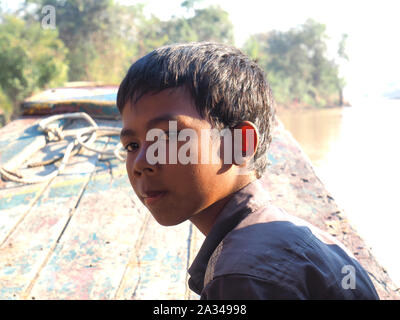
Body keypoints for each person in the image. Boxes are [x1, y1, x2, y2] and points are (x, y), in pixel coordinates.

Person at [117, 42, 379, 300]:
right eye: (132, 145)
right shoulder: (294, 237)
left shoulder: (242, 278)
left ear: (238, 144)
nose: (141, 162)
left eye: (167, 136)